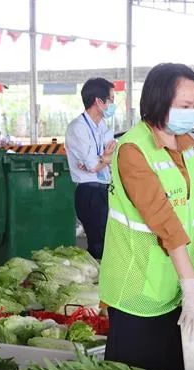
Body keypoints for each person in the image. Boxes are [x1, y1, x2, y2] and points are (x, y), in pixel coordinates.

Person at [99, 63, 194, 370]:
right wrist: (192, 289)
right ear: (159, 101)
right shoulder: (133, 149)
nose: (192, 113)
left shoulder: (187, 146)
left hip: (173, 286)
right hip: (137, 292)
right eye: (185, 106)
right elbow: (164, 220)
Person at [65, 78, 117, 260]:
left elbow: (111, 154)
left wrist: (102, 159)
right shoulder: (78, 128)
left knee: (110, 242)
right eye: (111, 99)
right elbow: (94, 165)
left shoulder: (101, 125)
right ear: (98, 101)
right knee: (99, 244)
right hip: (89, 193)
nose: (113, 104)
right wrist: (103, 158)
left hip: (104, 188)